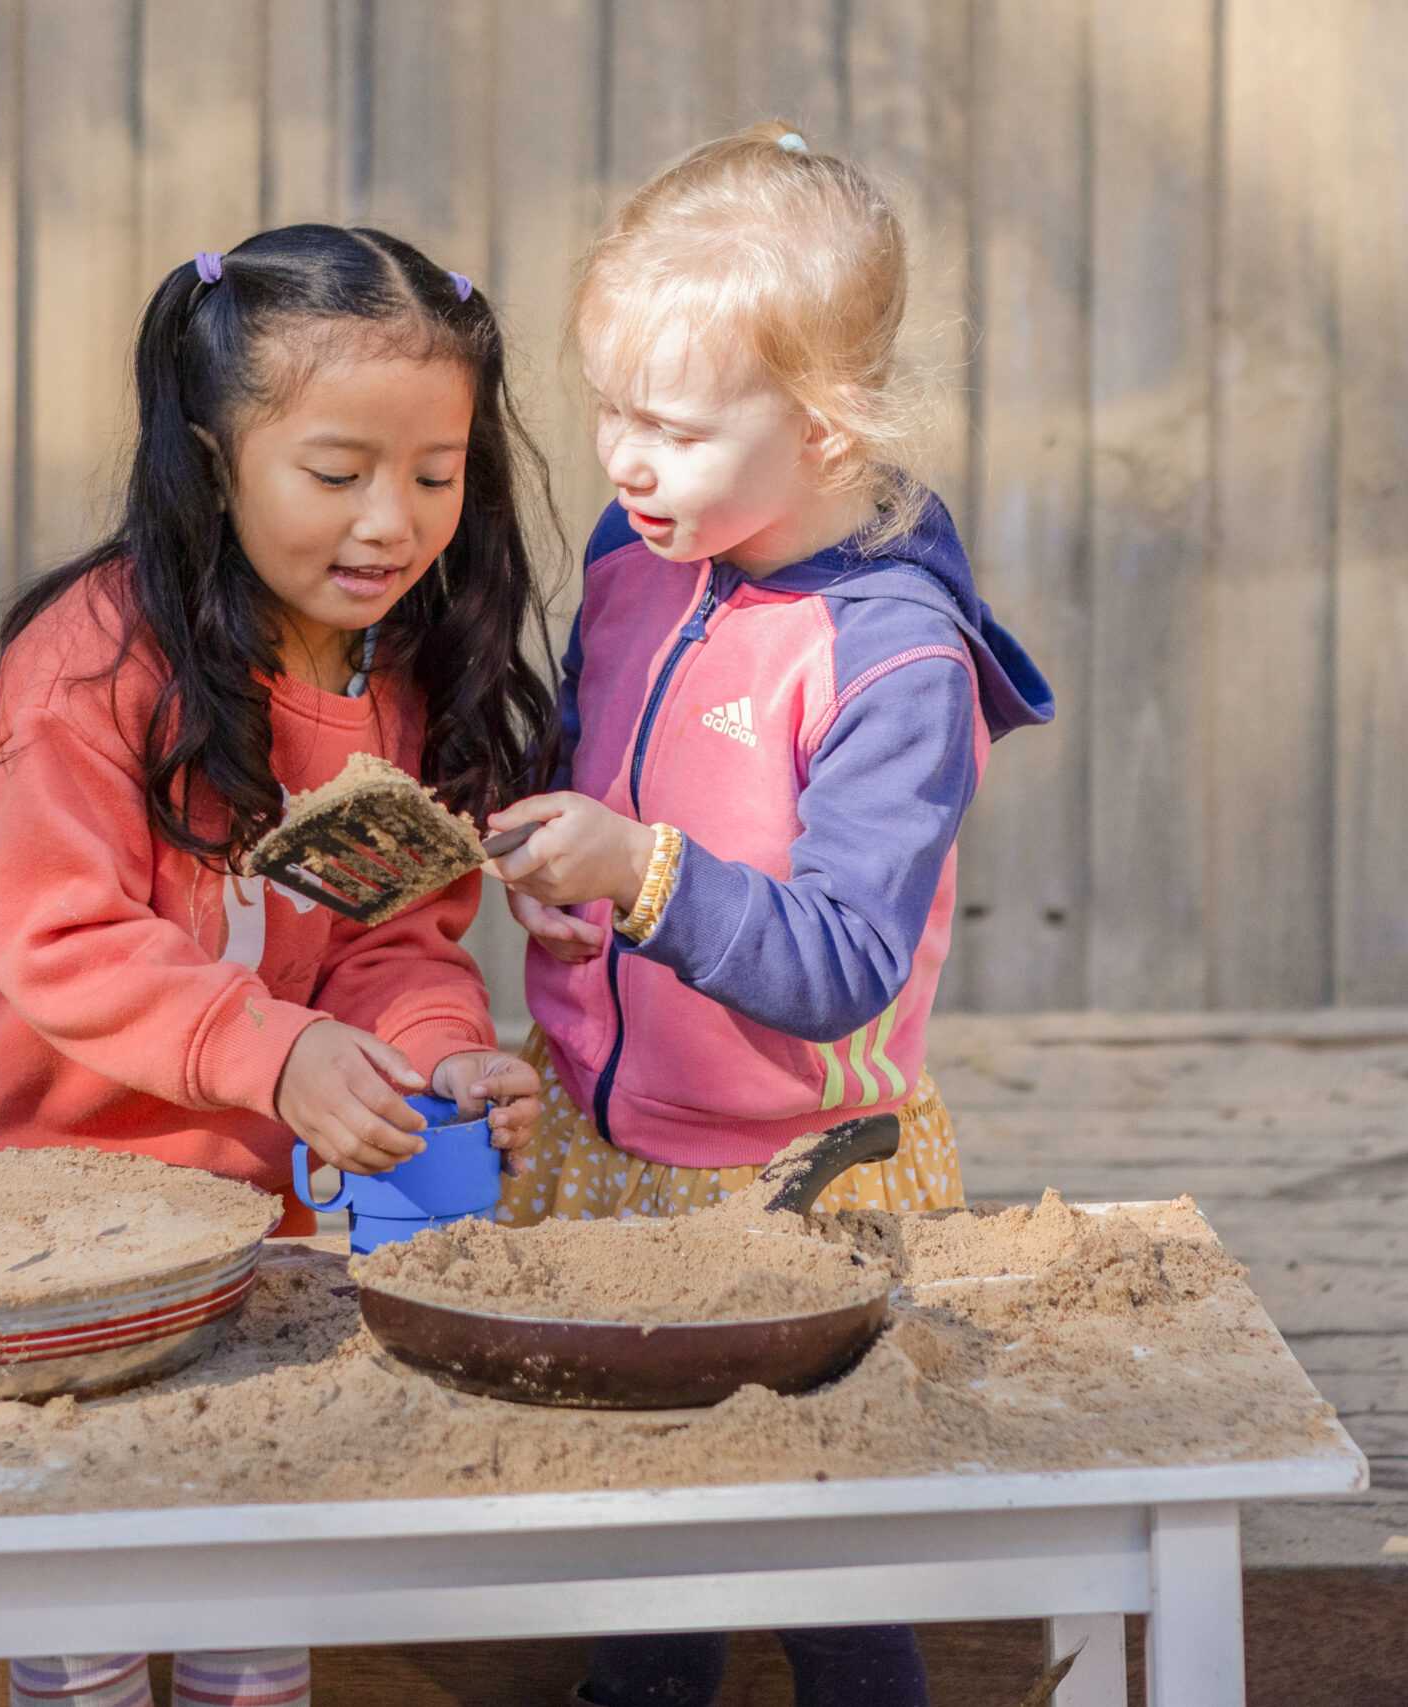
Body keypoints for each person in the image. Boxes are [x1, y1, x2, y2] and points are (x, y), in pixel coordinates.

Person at [0, 223, 559, 1707]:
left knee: (252, 1576)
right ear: (212, 459)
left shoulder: (383, 673)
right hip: (43, 1216)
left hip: (244, 1223)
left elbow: (390, 935)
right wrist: (274, 1051)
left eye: (436, 476)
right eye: (337, 475)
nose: (391, 523)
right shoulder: (84, 668)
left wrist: (438, 1048)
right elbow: (58, 942)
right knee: (89, 1579)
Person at [484, 124, 1056, 1707]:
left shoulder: (892, 662)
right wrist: (530, 832)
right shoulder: (640, 555)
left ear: (822, 430)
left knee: (823, 1558)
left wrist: (636, 872)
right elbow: (596, 743)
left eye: (667, 426)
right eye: (608, 409)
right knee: (649, 1534)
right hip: (614, 1147)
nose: (621, 459)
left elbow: (850, 965)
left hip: (798, 1176)